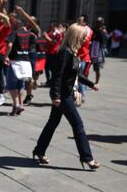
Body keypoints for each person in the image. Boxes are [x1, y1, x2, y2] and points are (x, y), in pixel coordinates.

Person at [32, 23, 100, 170]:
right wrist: (56, 96)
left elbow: (76, 74)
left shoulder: (72, 52)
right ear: (76, 36)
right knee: (78, 125)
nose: (84, 40)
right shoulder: (65, 52)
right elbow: (58, 76)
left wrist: (90, 84)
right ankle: (88, 158)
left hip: (65, 93)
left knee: (52, 123)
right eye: (82, 37)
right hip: (63, 96)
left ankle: (39, 151)